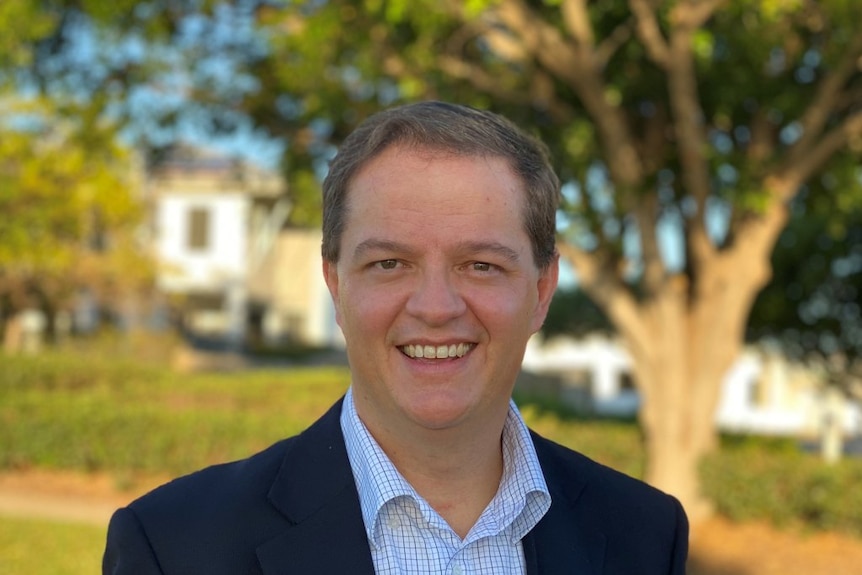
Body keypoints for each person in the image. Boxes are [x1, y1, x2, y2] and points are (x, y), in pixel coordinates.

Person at [103, 101, 688, 574]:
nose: (435, 308)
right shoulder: (173, 546)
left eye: (480, 265)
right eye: (390, 264)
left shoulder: (644, 537)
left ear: (541, 290)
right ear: (335, 284)